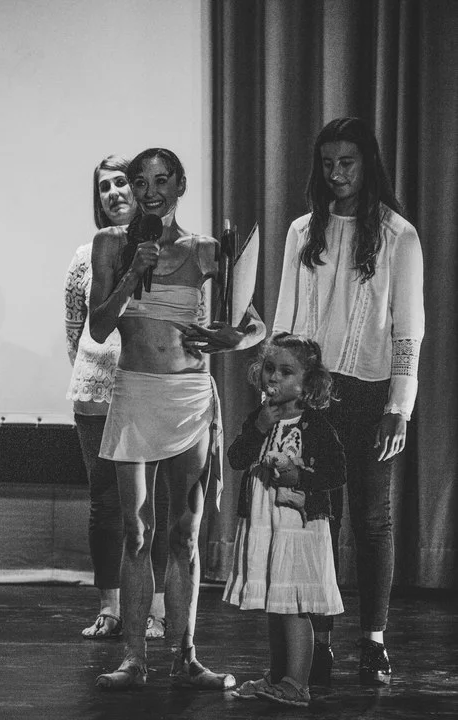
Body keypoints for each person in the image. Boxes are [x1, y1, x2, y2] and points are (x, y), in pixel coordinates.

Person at [89, 147, 266, 690]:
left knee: (185, 534)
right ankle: (134, 658)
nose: (149, 192)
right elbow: (98, 327)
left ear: (180, 185)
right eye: (140, 182)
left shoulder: (207, 249)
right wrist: (130, 275)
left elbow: (254, 324)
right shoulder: (111, 244)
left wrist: (233, 338)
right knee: (136, 530)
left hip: (188, 396)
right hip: (136, 392)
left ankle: (185, 656)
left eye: (161, 181)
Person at [273, 117, 424, 685]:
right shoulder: (301, 231)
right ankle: (322, 640)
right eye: (328, 163)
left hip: (368, 394)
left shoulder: (397, 235)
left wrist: (398, 408)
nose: (336, 173)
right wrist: (280, 395)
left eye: (347, 162)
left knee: (372, 518)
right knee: (320, 520)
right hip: (313, 394)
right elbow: (285, 320)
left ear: (368, 165)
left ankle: (374, 640)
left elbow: (408, 331)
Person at [65, 155, 168, 640]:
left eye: (122, 182)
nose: (114, 193)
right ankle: (110, 607)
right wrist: (93, 371)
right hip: (97, 391)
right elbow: (75, 327)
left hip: (148, 386)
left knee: (152, 504)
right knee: (105, 502)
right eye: (104, 187)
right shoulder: (85, 254)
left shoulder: (170, 250)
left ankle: (154, 610)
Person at [223, 333, 345, 708]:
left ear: (308, 383)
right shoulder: (259, 419)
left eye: (286, 372)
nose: (274, 377)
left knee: (294, 605)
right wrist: (258, 427)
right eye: (270, 368)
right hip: (266, 525)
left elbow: (337, 471)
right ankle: (277, 676)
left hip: (299, 528)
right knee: (277, 604)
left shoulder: (315, 425)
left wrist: (300, 478)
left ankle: (297, 683)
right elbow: (236, 458)